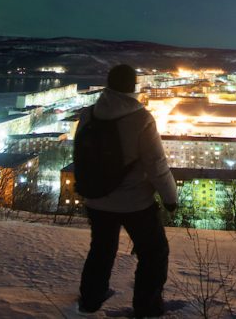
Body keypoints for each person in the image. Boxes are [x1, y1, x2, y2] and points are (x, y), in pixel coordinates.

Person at [76, 64, 178, 317]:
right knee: (153, 252)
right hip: (136, 203)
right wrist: (170, 198)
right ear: (133, 86)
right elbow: (156, 165)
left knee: (101, 250)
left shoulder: (89, 114)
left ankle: (90, 300)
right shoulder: (141, 118)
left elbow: (80, 156)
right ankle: (147, 306)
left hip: (97, 199)